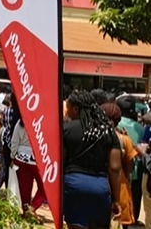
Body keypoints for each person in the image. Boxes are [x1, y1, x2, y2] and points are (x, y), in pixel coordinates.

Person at [63, 90, 122, 229]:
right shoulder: (108, 132)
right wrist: (116, 200)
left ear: (76, 109)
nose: (67, 113)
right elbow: (115, 168)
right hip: (99, 189)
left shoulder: (66, 129)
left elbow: (60, 163)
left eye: (68, 109)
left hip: (73, 187)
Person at [10, 116, 46, 217]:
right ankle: (33, 208)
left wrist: (12, 157)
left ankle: (26, 211)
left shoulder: (20, 122)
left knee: (25, 188)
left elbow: (14, 141)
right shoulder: (42, 121)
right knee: (45, 187)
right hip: (38, 159)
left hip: (21, 158)